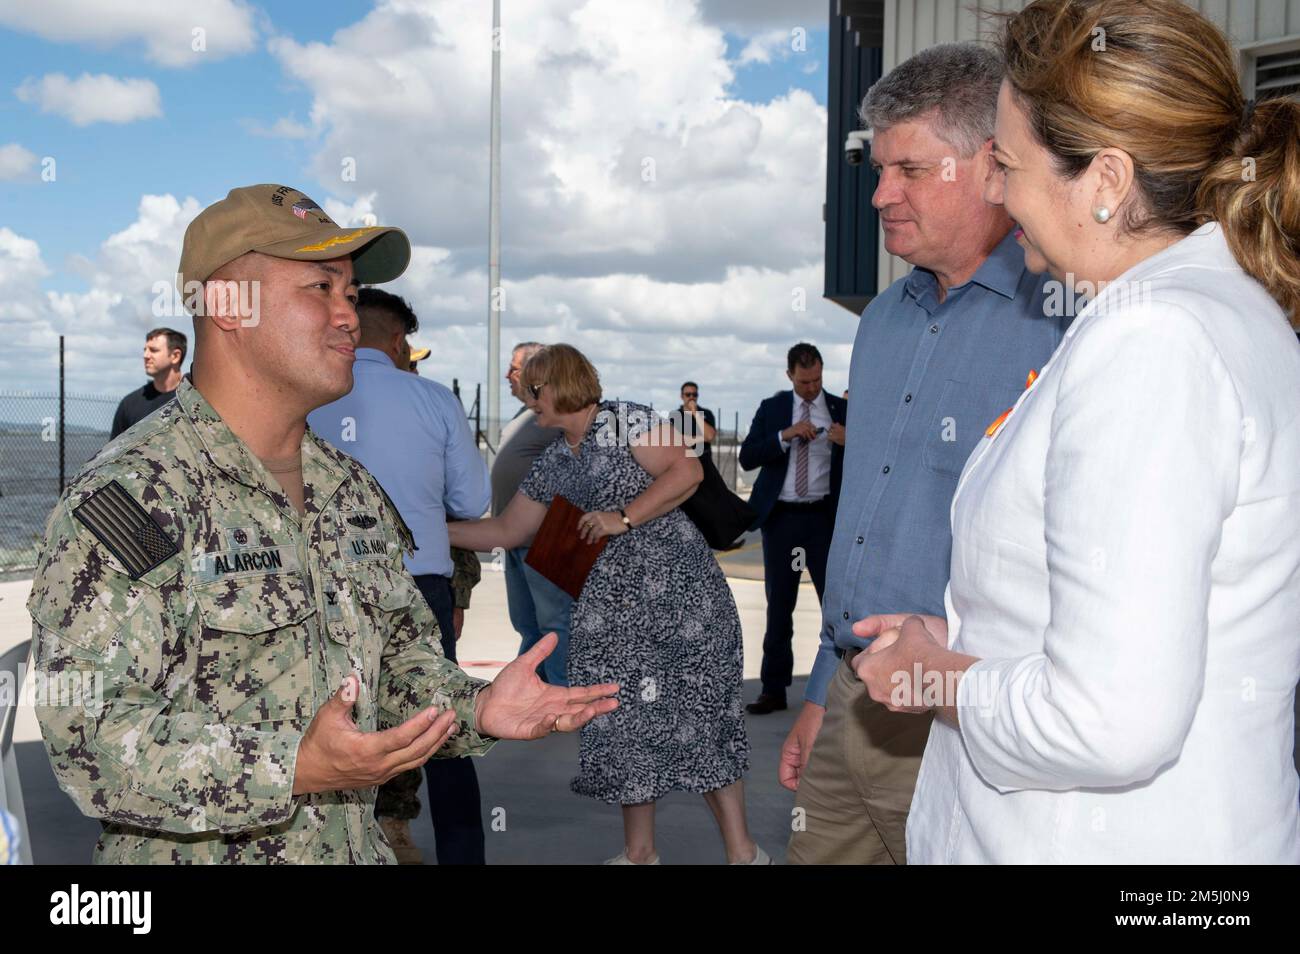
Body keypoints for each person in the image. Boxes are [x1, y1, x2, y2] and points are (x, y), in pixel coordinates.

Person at [26, 183, 619, 864]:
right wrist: (294, 766)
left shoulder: (349, 488)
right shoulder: (134, 497)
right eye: (321, 289)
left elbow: (397, 662)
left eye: (352, 293)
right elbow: (91, 738)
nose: (349, 317)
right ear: (227, 306)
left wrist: (476, 707)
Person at [855, 0, 1300, 863]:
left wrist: (933, 676)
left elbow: (1111, 722)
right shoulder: (1207, 315)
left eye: (1008, 164)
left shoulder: (1153, 342)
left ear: (1105, 181)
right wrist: (970, 640)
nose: (993, 189)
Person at [780, 43, 1071, 865]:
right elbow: (859, 520)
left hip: (965, 712)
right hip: (852, 696)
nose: (880, 194)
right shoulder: (881, 322)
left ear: (990, 165)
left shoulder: (1066, 321)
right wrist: (817, 694)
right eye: (878, 169)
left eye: (909, 169)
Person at [450, 344, 769, 865]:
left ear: (556, 385)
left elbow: (685, 474)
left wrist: (621, 516)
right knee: (622, 725)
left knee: (704, 721)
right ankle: (639, 853)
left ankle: (743, 854)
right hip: (612, 617)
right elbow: (507, 530)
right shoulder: (555, 458)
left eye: (531, 388)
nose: (524, 397)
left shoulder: (627, 421)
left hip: (682, 604)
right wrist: (428, 531)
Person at [309, 287, 491, 865]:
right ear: (395, 339)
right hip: (420, 586)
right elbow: (473, 497)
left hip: (325, 586)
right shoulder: (434, 400)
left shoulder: (305, 399)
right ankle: (462, 857)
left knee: (325, 724)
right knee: (444, 727)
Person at [738, 344, 847, 715]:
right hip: (782, 519)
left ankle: (841, 689)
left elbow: (872, 460)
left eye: (817, 380)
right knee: (779, 607)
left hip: (824, 520)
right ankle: (773, 690)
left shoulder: (842, 410)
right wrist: (784, 435)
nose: (812, 388)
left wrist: (849, 442)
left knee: (835, 606)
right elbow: (747, 457)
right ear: (790, 377)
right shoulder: (772, 409)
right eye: (804, 382)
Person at [493, 341, 571, 686]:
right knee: (528, 624)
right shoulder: (525, 417)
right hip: (514, 538)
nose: (508, 375)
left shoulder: (556, 415)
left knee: (554, 623)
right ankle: (533, 692)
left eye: (515, 367)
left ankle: (558, 694)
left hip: (543, 539)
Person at [109, 327, 186, 438]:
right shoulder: (129, 405)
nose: (146, 355)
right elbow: (114, 453)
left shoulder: (193, 400)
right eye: (145, 350)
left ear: (175, 356)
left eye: (153, 350)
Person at [667, 381, 716, 464]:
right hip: (683, 462)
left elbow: (710, 436)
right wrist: (701, 438)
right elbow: (676, 441)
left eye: (694, 395)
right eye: (688, 394)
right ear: (682, 396)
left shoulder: (707, 413)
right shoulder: (675, 416)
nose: (691, 397)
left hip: (704, 462)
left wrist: (695, 412)